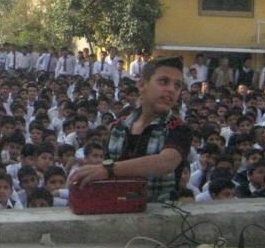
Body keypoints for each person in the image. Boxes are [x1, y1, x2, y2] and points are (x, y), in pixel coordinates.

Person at [71, 56, 191, 203]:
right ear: (142, 85)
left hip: (161, 218)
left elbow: (166, 162)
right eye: (164, 81)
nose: (171, 89)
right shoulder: (118, 127)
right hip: (118, 213)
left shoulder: (179, 128)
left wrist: (108, 169)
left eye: (177, 86)